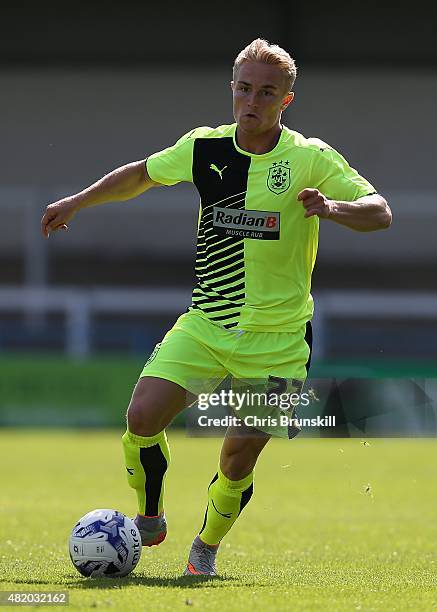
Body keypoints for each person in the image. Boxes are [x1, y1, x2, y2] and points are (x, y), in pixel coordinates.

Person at [41, 38, 392, 576]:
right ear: (233, 90)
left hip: (278, 339)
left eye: (266, 92)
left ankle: (205, 546)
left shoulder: (310, 158)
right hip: (207, 324)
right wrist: (77, 201)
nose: (252, 101)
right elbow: (140, 174)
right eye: (244, 89)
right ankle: (151, 515)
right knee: (141, 416)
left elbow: (379, 212)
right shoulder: (204, 148)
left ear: (286, 100)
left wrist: (333, 208)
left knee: (235, 458)